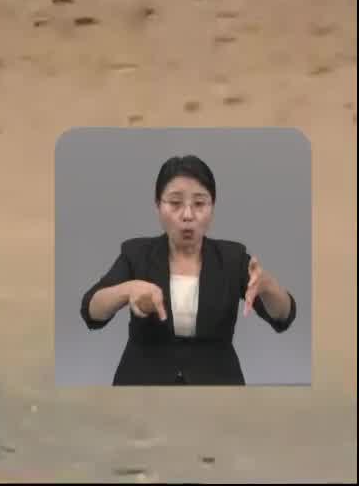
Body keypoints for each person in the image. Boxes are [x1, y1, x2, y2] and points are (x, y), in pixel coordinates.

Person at [79, 154, 297, 385]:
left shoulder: (233, 259)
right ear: (157, 206)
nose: (187, 215)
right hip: (142, 381)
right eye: (175, 203)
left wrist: (268, 286)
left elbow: (283, 317)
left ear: (212, 207)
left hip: (217, 384)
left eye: (200, 203)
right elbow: (91, 311)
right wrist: (126, 290)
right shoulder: (136, 254)